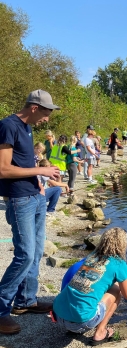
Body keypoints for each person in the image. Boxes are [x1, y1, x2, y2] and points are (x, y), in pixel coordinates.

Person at [0, 89, 61, 334]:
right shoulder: (7, 126)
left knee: (36, 253)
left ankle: (26, 301)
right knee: (24, 255)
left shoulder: (27, 128)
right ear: (35, 107)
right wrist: (41, 172)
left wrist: (38, 179)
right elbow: (3, 169)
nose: (47, 118)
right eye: (46, 113)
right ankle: (1, 310)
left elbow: (23, 162)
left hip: (34, 197)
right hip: (19, 200)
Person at [53, 227, 127, 346]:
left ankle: (75, 320)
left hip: (59, 316)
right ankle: (100, 332)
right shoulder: (119, 263)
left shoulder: (92, 256)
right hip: (80, 323)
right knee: (117, 290)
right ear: (123, 244)